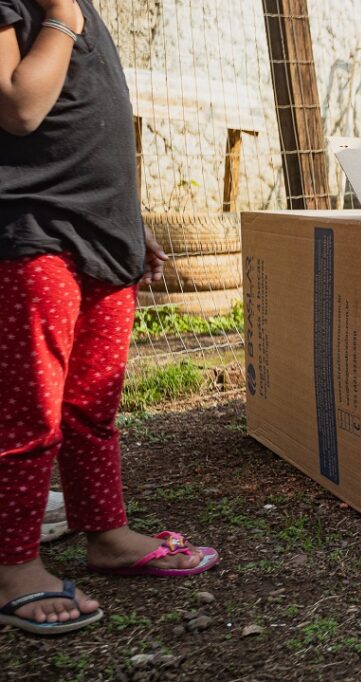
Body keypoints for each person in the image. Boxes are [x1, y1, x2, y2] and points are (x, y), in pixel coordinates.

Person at [0, 0, 219, 636]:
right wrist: (63, 16)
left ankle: (107, 531)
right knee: (28, 411)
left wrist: (128, 220)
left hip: (102, 234)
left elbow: (91, 128)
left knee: (91, 404)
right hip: (38, 233)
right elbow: (19, 108)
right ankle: (14, 565)